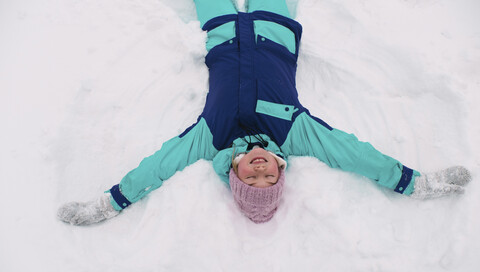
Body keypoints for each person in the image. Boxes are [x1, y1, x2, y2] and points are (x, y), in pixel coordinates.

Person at [58, 0, 472, 225]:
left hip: (221, 29)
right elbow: (355, 154)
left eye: (250, 177)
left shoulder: (212, 137)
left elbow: (157, 166)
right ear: (280, 169)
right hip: (274, 26)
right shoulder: (294, 131)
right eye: (268, 176)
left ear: (233, 173)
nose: (259, 170)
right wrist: (412, 183)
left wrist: (110, 204)